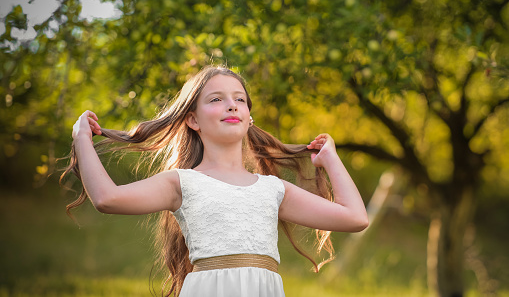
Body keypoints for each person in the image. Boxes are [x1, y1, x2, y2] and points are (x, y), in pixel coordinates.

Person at [61, 65, 368, 297]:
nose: (232, 105)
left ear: (249, 118)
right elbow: (106, 198)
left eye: (240, 99)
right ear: (193, 120)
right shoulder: (181, 183)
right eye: (216, 99)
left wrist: (331, 159)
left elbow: (355, 217)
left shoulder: (273, 189)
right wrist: (82, 140)